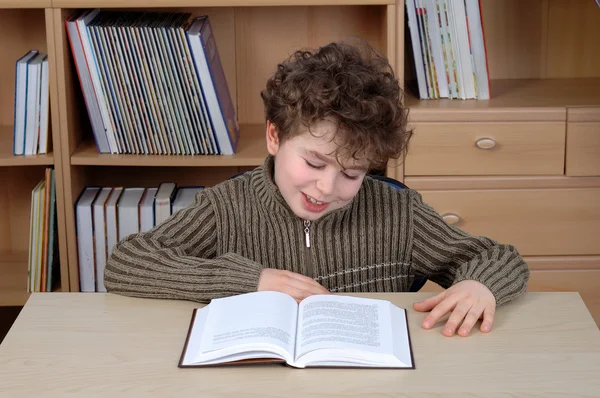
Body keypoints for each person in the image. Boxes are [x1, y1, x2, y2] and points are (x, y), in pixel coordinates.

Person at [104, 41, 529, 338]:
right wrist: (251, 280)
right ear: (274, 137)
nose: (327, 187)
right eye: (313, 162)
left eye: (353, 172)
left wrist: (479, 286)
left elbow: (496, 256)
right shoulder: (225, 208)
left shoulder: (399, 213)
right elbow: (127, 262)